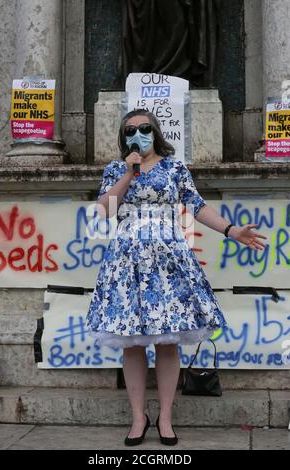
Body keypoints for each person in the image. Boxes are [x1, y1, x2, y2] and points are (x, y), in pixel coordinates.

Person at [85, 109, 267, 446]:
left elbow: (197, 206)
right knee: (133, 342)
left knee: (168, 341)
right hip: (127, 262)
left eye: (143, 128)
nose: (136, 135)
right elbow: (104, 210)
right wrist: (129, 171)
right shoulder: (116, 169)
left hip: (169, 261)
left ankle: (165, 417)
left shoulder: (174, 168)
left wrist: (231, 230)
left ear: (155, 131)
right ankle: (139, 418)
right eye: (129, 131)